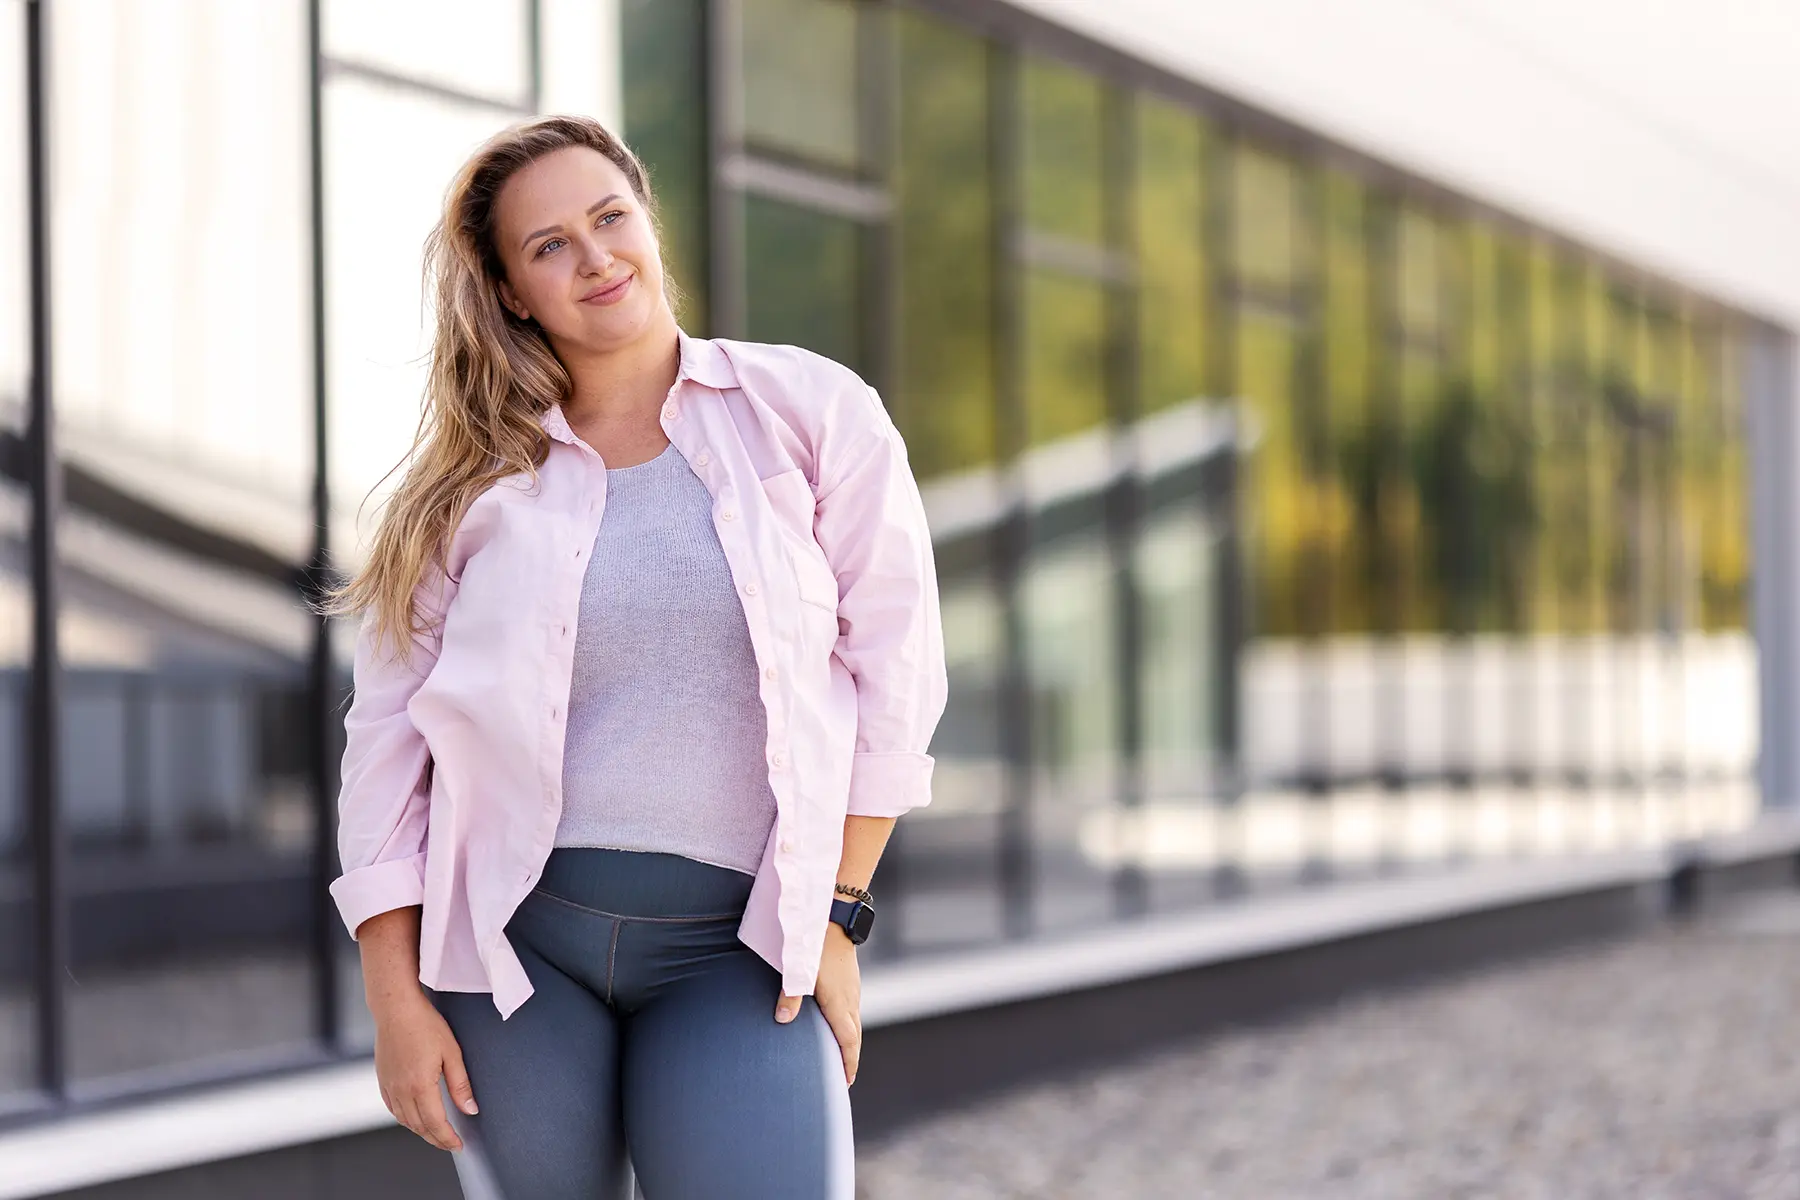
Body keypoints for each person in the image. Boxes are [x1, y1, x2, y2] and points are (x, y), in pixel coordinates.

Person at [323, 113, 948, 1199]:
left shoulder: (810, 414)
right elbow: (386, 742)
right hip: (517, 955)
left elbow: (898, 674)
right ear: (513, 291)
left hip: (739, 951)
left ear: (649, 224)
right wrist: (394, 998)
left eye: (609, 218)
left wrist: (839, 916)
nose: (595, 256)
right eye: (549, 244)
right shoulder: (466, 491)